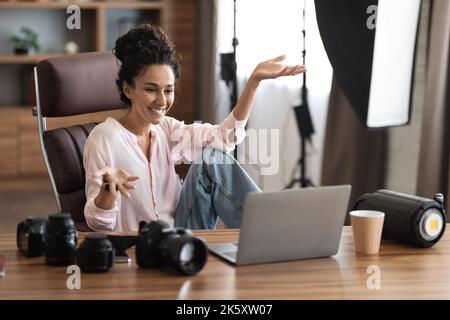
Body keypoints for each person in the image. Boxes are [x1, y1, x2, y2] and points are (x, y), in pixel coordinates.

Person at [83, 24, 306, 232]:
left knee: (212, 157)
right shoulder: (104, 137)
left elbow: (224, 138)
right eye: (151, 89)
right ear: (128, 89)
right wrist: (107, 192)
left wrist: (253, 83)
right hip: (139, 248)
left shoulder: (166, 129)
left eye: (168, 90)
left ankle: (271, 230)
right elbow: (98, 224)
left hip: (179, 235)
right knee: (211, 156)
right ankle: (273, 233)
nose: (162, 101)